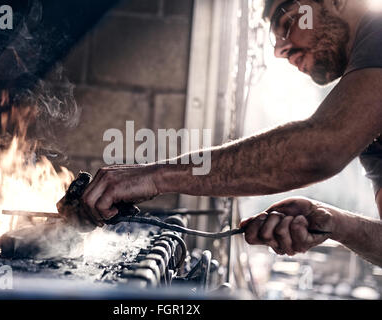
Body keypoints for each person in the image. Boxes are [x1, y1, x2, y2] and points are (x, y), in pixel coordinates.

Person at [78, 0, 382, 266]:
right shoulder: (371, 127)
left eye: (287, 20)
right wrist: (337, 224)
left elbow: (320, 148)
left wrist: (155, 176)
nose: (279, 50)